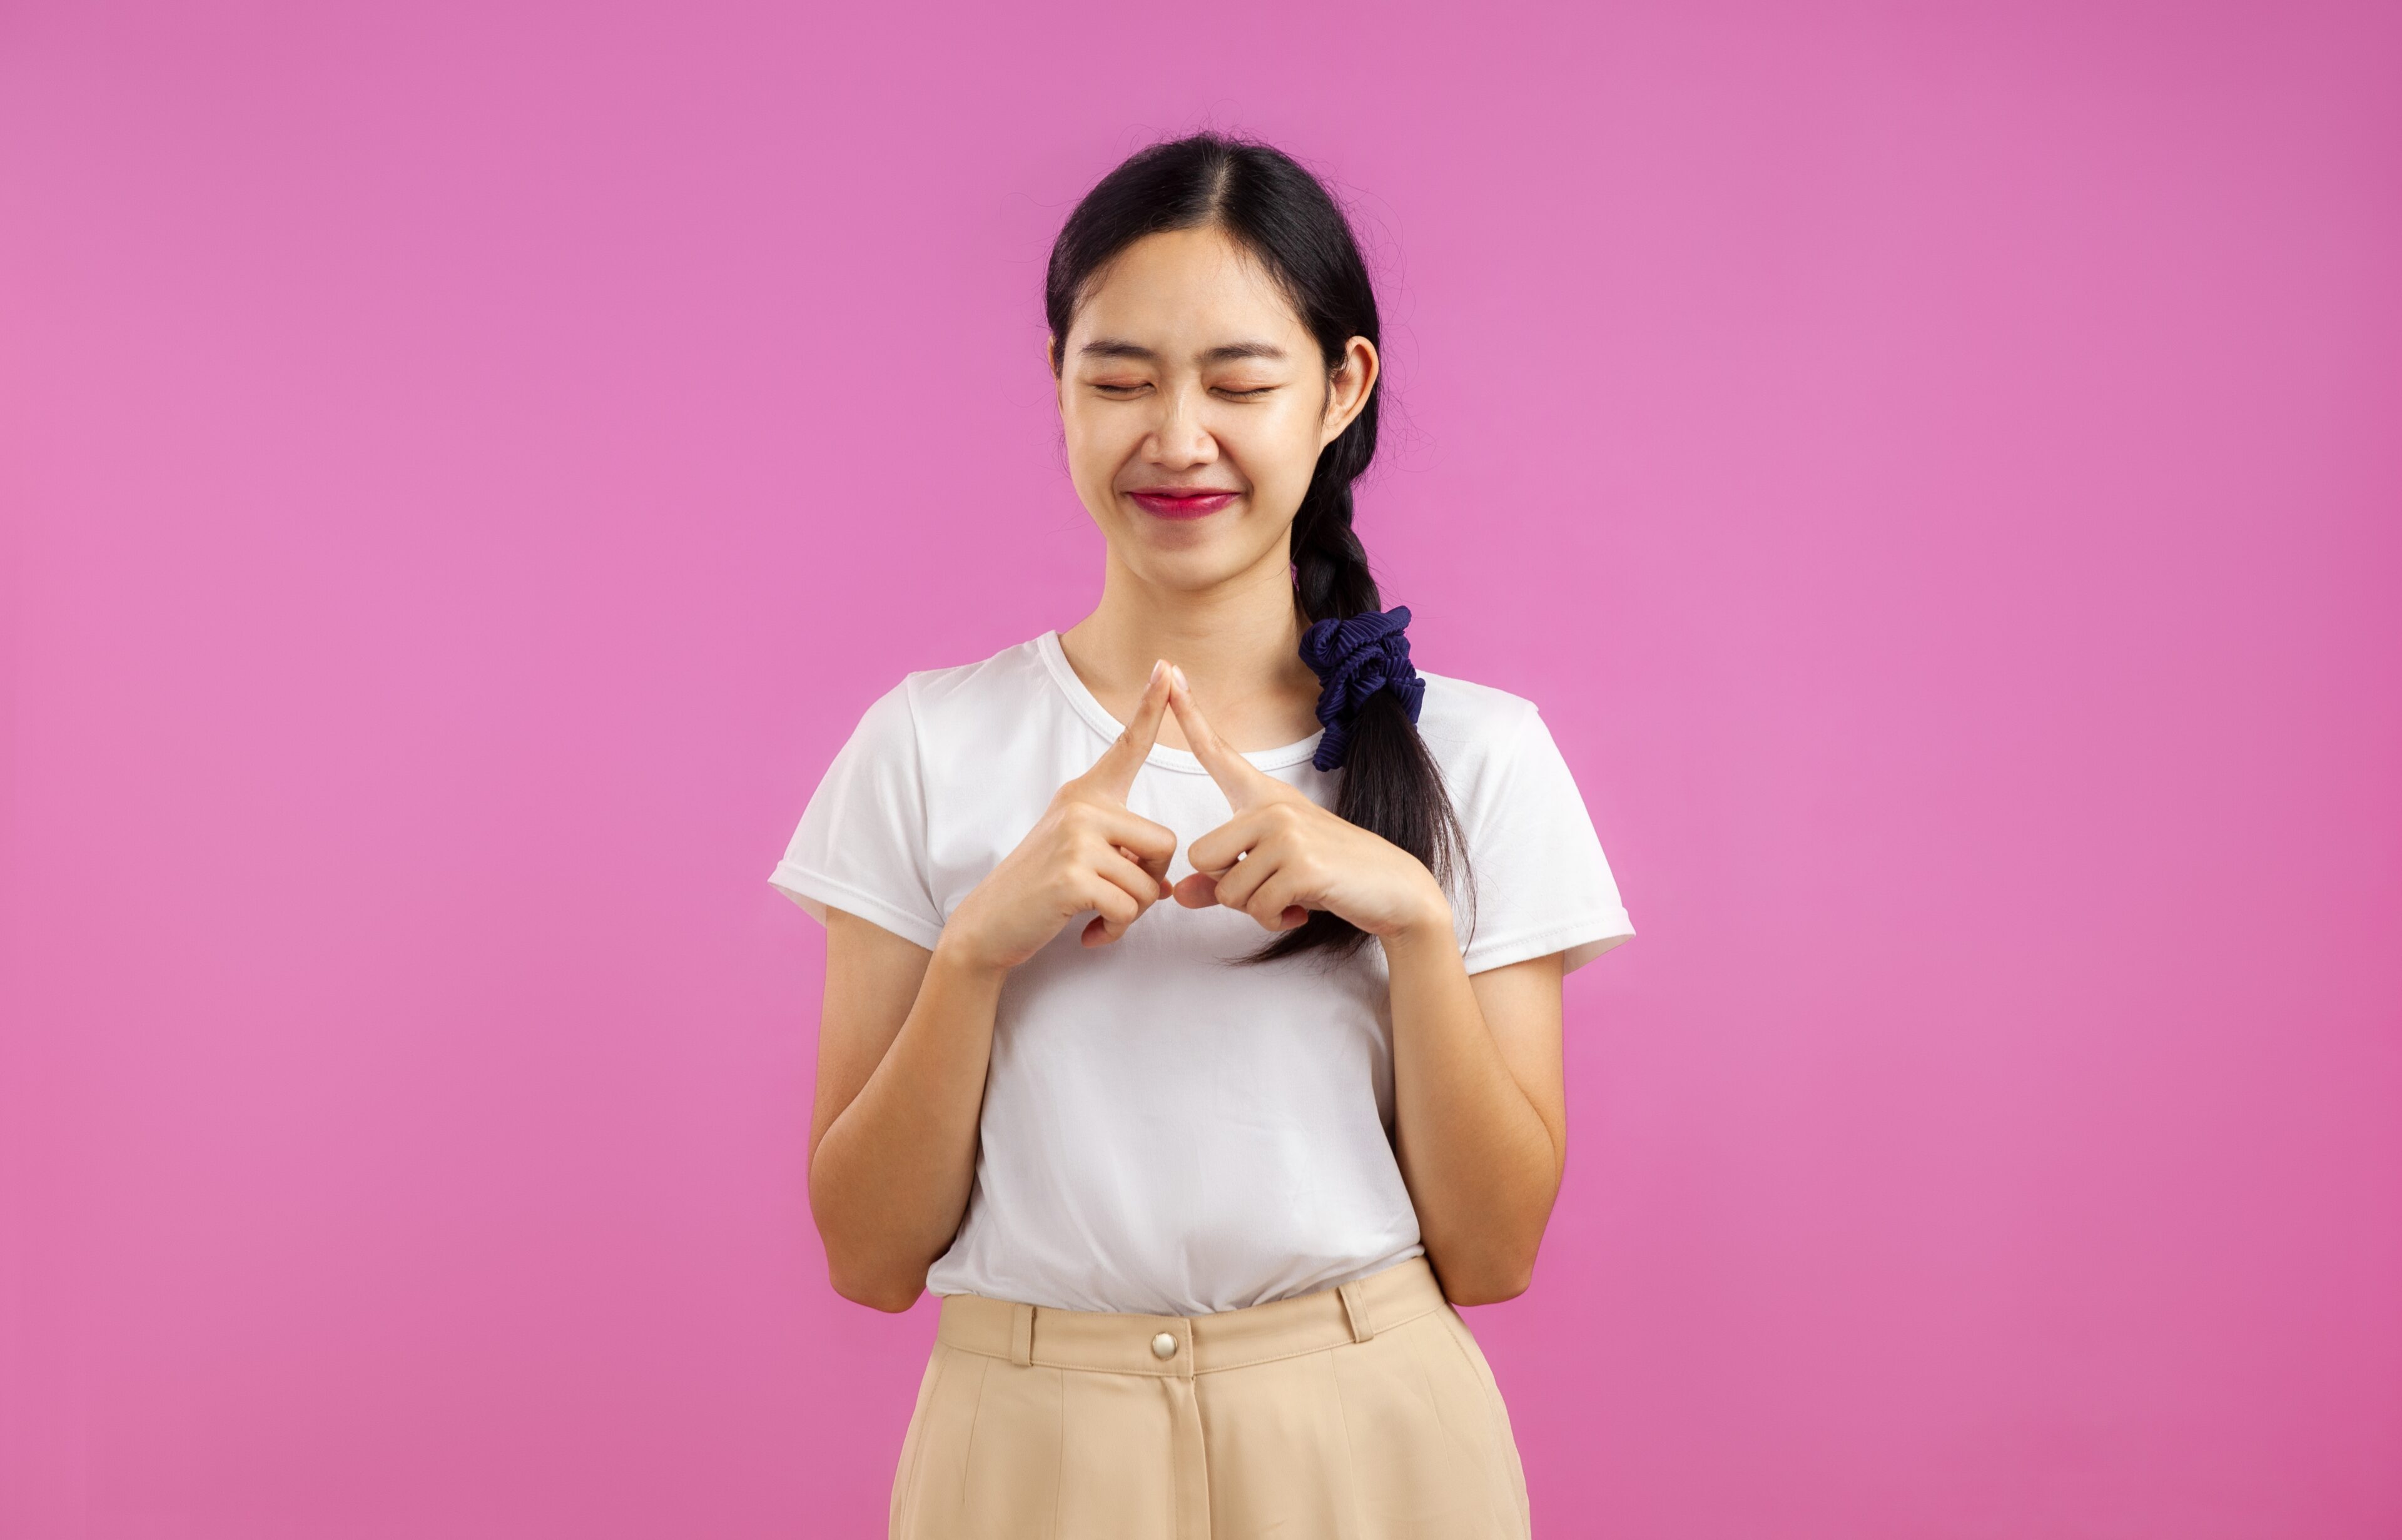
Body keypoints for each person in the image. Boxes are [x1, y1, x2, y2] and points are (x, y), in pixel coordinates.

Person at [768, 131, 1634, 1540]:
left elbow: (1494, 1254)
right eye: (1118, 380)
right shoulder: (924, 744)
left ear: (1341, 388)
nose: (1177, 438)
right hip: (1029, 1446)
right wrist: (977, 951)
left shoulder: (1482, 755)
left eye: (1239, 382)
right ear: (1055, 384)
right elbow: (869, 1257)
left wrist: (1413, 916)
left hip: (1372, 1439)